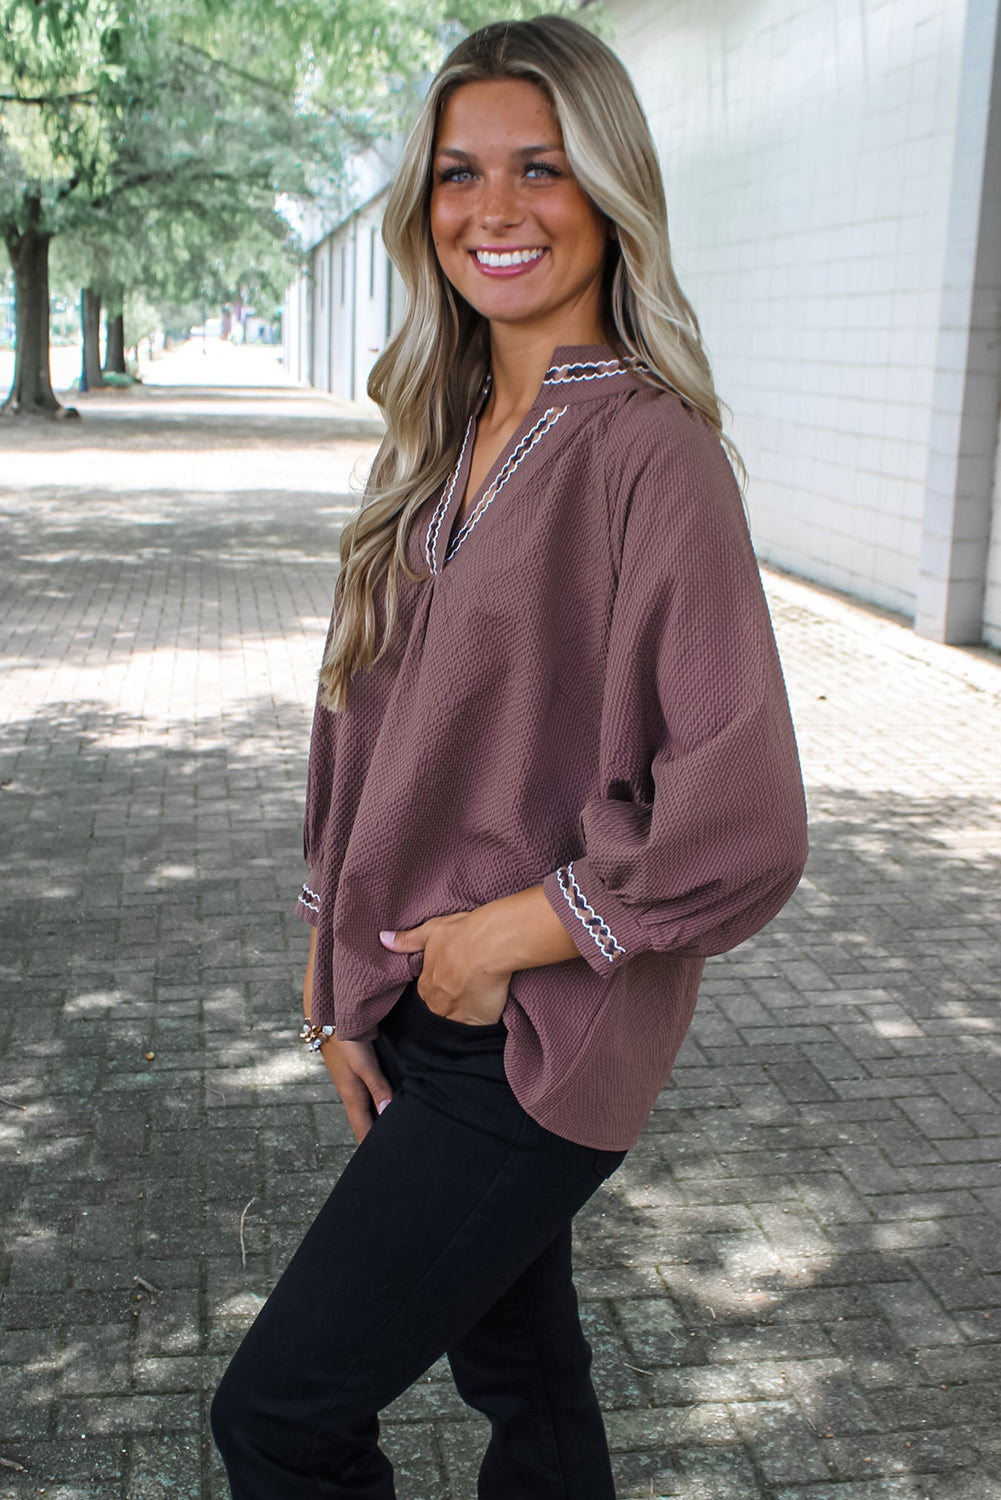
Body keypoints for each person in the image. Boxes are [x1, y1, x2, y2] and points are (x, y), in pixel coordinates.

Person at [211, 14, 808, 1498]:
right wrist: (333, 962)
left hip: (532, 1027)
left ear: (607, 191)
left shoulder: (649, 454)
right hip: (416, 998)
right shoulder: (438, 425)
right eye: (458, 173)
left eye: (539, 169)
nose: (493, 209)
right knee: (525, 1377)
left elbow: (746, 817)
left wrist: (510, 938)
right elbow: (362, 721)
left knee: (280, 1420)